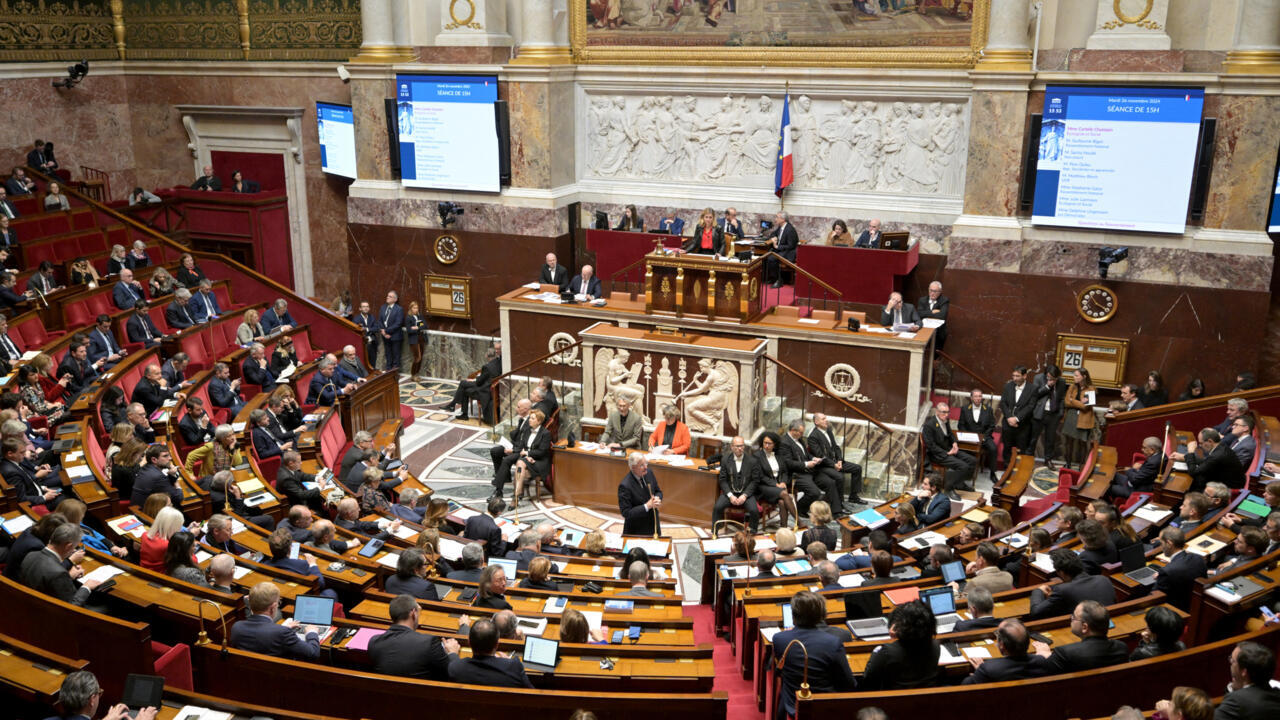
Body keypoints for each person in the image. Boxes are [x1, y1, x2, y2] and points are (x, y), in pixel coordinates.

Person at [772, 590, 856, 716]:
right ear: (821, 616)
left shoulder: (779, 639)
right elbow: (849, 684)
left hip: (793, 705)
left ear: (793, 616)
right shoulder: (833, 643)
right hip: (823, 706)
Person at [369, 593, 457, 679]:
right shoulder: (428, 642)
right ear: (413, 613)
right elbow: (452, 673)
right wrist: (452, 653)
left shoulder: (374, 642)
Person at [229, 582, 322, 659]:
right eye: (278, 603)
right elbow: (313, 653)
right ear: (273, 608)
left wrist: (281, 628)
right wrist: (312, 633)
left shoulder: (237, 627)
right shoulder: (282, 633)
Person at [862, 600, 941, 690]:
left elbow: (867, 682)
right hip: (927, 701)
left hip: (892, 702)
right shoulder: (935, 645)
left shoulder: (886, 652)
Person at [1033, 600, 1128, 673]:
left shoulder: (1065, 653)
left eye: (1073, 617)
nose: (1071, 619)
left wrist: (1044, 654)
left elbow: (1043, 673)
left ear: (1084, 627)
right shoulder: (1121, 648)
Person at [1028, 548, 1116, 618]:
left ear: (1061, 573)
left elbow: (1035, 612)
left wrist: (1038, 591)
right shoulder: (1103, 579)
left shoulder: (1063, 590)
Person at [446, 618, 533, 688]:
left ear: (469, 642)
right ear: (497, 645)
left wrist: (452, 653)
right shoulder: (514, 666)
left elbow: (455, 664)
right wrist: (508, 663)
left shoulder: (455, 668)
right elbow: (532, 694)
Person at [962, 618, 1049, 684]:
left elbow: (964, 686)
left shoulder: (988, 669)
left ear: (1002, 645)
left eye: (997, 634)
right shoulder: (1041, 661)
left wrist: (980, 673)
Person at [809, 412, 864, 507]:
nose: (826, 420)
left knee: (857, 468)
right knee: (839, 477)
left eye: (826, 418)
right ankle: (839, 503)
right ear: (816, 422)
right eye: (823, 419)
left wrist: (839, 460)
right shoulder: (813, 437)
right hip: (824, 466)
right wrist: (833, 465)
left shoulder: (828, 430)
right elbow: (820, 455)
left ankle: (853, 496)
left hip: (836, 462)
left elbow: (836, 447)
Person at [921, 401, 976, 493]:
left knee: (972, 460)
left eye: (948, 412)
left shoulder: (945, 421)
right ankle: (949, 488)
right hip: (937, 454)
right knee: (963, 466)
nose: (946, 415)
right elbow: (931, 446)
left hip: (948, 449)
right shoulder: (929, 425)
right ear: (937, 412)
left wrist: (954, 443)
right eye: (944, 412)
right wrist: (946, 453)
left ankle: (959, 483)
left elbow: (950, 434)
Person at [1216, 641, 1280, 719]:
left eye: (1232, 661)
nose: (1230, 664)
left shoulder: (1236, 700)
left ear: (1244, 671)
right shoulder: (1277, 695)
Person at [1173, 427, 1245, 492]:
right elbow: (1206, 461)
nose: (1200, 446)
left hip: (1226, 488)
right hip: (1221, 479)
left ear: (1210, 441)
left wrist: (1190, 452)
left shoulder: (1217, 455)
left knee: (1190, 485)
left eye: (1201, 443)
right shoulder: (1221, 446)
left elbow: (1193, 472)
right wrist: (1185, 457)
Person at [713, 435, 759, 533]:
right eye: (737, 446)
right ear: (732, 447)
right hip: (730, 492)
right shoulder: (725, 459)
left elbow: (755, 481)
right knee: (717, 507)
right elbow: (722, 480)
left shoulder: (752, 461)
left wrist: (745, 495)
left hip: (746, 493)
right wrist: (730, 495)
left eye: (742, 446)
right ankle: (715, 532)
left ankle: (752, 532)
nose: (740, 448)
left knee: (754, 510)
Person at [1154, 526, 1208, 610]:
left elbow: (1153, 598)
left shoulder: (1167, 572)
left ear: (1169, 544)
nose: (1161, 547)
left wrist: (1161, 577)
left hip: (1174, 610)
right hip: (1193, 606)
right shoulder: (1198, 558)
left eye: (1161, 543)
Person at [441, 346, 501, 422]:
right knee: (464, 386)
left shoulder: (486, 367)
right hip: (489, 387)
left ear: (486, 355)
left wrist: (473, 380)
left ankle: (455, 407)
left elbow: (479, 382)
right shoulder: (498, 362)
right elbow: (486, 377)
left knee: (463, 385)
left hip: (484, 390)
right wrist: (476, 379)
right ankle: (457, 409)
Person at [755, 431, 799, 529]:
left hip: (777, 487)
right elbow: (761, 476)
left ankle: (783, 528)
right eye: (764, 443)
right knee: (784, 494)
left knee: (782, 502)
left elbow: (784, 472)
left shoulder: (779, 455)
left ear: (774, 444)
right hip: (763, 487)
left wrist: (783, 482)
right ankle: (799, 522)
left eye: (769, 443)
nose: (766, 446)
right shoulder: (757, 456)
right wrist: (776, 484)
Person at [999, 365, 1037, 465]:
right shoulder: (1008, 386)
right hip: (1008, 423)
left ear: (1025, 376)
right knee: (1007, 447)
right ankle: (1006, 468)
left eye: (1017, 376)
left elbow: (1030, 406)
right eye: (1013, 375)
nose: (1014, 378)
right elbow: (1003, 403)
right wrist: (1009, 418)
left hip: (1023, 425)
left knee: (1021, 448)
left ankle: (1018, 471)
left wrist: (1017, 418)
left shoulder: (1032, 389)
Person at [618, 451, 663, 536]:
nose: (645, 467)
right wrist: (647, 506)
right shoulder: (625, 486)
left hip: (653, 524)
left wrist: (657, 498)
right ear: (633, 467)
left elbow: (658, 491)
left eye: (646, 463)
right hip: (637, 530)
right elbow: (626, 513)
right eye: (641, 465)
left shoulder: (649, 473)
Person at [1061, 368, 1097, 469]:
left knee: (1082, 443)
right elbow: (1066, 402)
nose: (1074, 377)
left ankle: (1082, 466)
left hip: (1084, 418)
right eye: (1074, 375)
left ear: (1084, 376)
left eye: (1077, 375)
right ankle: (1068, 464)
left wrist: (1073, 400)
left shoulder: (1091, 389)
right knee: (1069, 442)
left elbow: (1085, 407)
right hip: (1071, 416)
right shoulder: (1072, 387)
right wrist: (1079, 402)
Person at [1109, 436, 1164, 500]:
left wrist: (1131, 469)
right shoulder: (1162, 455)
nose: (1142, 449)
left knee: (1107, 488)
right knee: (1113, 474)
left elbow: (1134, 480)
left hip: (1135, 490)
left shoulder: (1153, 463)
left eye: (1144, 448)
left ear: (1152, 450)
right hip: (1137, 482)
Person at [761, 211, 798, 288]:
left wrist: (778, 247)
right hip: (781, 250)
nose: (775, 219)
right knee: (764, 256)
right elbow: (773, 234)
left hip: (788, 252)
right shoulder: (781, 227)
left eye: (777, 217)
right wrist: (774, 238)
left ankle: (779, 280)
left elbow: (791, 246)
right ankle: (771, 278)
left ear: (783, 219)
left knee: (772, 258)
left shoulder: (790, 230)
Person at [376, 289, 405, 372]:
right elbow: (380, 321)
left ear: (395, 299)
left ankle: (395, 373)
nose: (387, 297)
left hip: (395, 336)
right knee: (388, 354)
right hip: (385, 336)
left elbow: (398, 323)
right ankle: (388, 371)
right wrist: (383, 332)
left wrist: (387, 331)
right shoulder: (383, 307)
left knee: (396, 355)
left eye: (390, 296)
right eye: (387, 296)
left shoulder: (399, 309)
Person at [916, 281, 949, 349]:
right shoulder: (922, 300)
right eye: (931, 290)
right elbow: (919, 314)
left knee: (935, 352)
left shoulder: (944, 300)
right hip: (924, 330)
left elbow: (942, 316)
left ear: (940, 291)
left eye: (935, 291)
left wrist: (926, 313)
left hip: (938, 331)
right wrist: (932, 312)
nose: (932, 293)